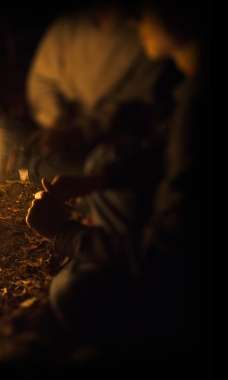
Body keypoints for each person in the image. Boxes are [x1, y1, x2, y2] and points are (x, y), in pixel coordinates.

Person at [25, 0, 207, 363]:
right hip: (142, 206)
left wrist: (66, 234)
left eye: (144, 8)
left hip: (187, 289)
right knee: (103, 162)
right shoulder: (191, 90)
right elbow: (161, 156)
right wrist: (95, 181)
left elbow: (164, 257)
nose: (136, 18)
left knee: (69, 291)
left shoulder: (197, 110)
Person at [24, 1, 172, 183]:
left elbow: (132, 105)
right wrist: (56, 120)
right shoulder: (68, 26)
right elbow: (41, 81)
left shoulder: (145, 38)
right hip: (57, 134)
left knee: (54, 170)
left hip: (105, 145)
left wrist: (81, 131)